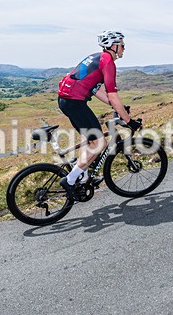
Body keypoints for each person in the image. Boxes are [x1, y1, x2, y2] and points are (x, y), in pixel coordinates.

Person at [57, 30, 140, 200]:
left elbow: (96, 90)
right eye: (122, 45)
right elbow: (112, 95)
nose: (124, 48)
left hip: (67, 100)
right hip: (75, 102)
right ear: (114, 46)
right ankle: (70, 180)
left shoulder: (97, 58)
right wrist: (129, 121)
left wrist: (119, 107)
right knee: (99, 142)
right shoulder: (108, 62)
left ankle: (83, 174)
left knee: (91, 140)